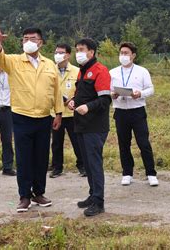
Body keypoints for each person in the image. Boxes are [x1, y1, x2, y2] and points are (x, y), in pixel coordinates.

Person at [0, 27, 64, 212]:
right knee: (24, 158)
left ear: (41, 42)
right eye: (25, 38)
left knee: (41, 157)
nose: (28, 41)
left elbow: (56, 91)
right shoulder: (15, 61)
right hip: (21, 116)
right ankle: (24, 196)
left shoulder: (49, 65)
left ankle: (39, 193)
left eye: (32, 38)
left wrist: (58, 113)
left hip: (43, 117)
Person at [67, 38, 111, 217]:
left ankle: (99, 202)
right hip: (80, 124)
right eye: (76, 49)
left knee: (94, 163)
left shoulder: (100, 70)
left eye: (81, 49)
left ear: (91, 52)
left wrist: (88, 107)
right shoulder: (82, 72)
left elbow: (105, 99)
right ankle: (92, 195)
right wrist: (73, 101)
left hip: (95, 125)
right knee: (86, 163)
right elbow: (82, 94)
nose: (78, 52)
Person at [110, 42, 158, 187]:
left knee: (143, 143)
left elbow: (151, 89)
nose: (123, 56)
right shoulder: (112, 72)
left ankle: (151, 173)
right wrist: (113, 94)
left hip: (137, 111)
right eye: (121, 53)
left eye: (126, 53)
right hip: (120, 111)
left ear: (133, 55)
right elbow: (108, 90)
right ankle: (127, 173)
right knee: (124, 144)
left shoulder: (142, 71)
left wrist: (140, 93)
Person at [49, 43, 86, 178]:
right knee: (57, 143)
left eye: (61, 52)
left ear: (68, 55)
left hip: (72, 112)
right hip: (55, 112)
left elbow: (82, 90)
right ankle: (57, 168)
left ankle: (82, 166)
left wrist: (73, 99)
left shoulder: (77, 71)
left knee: (77, 141)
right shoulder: (49, 70)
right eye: (56, 52)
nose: (58, 55)